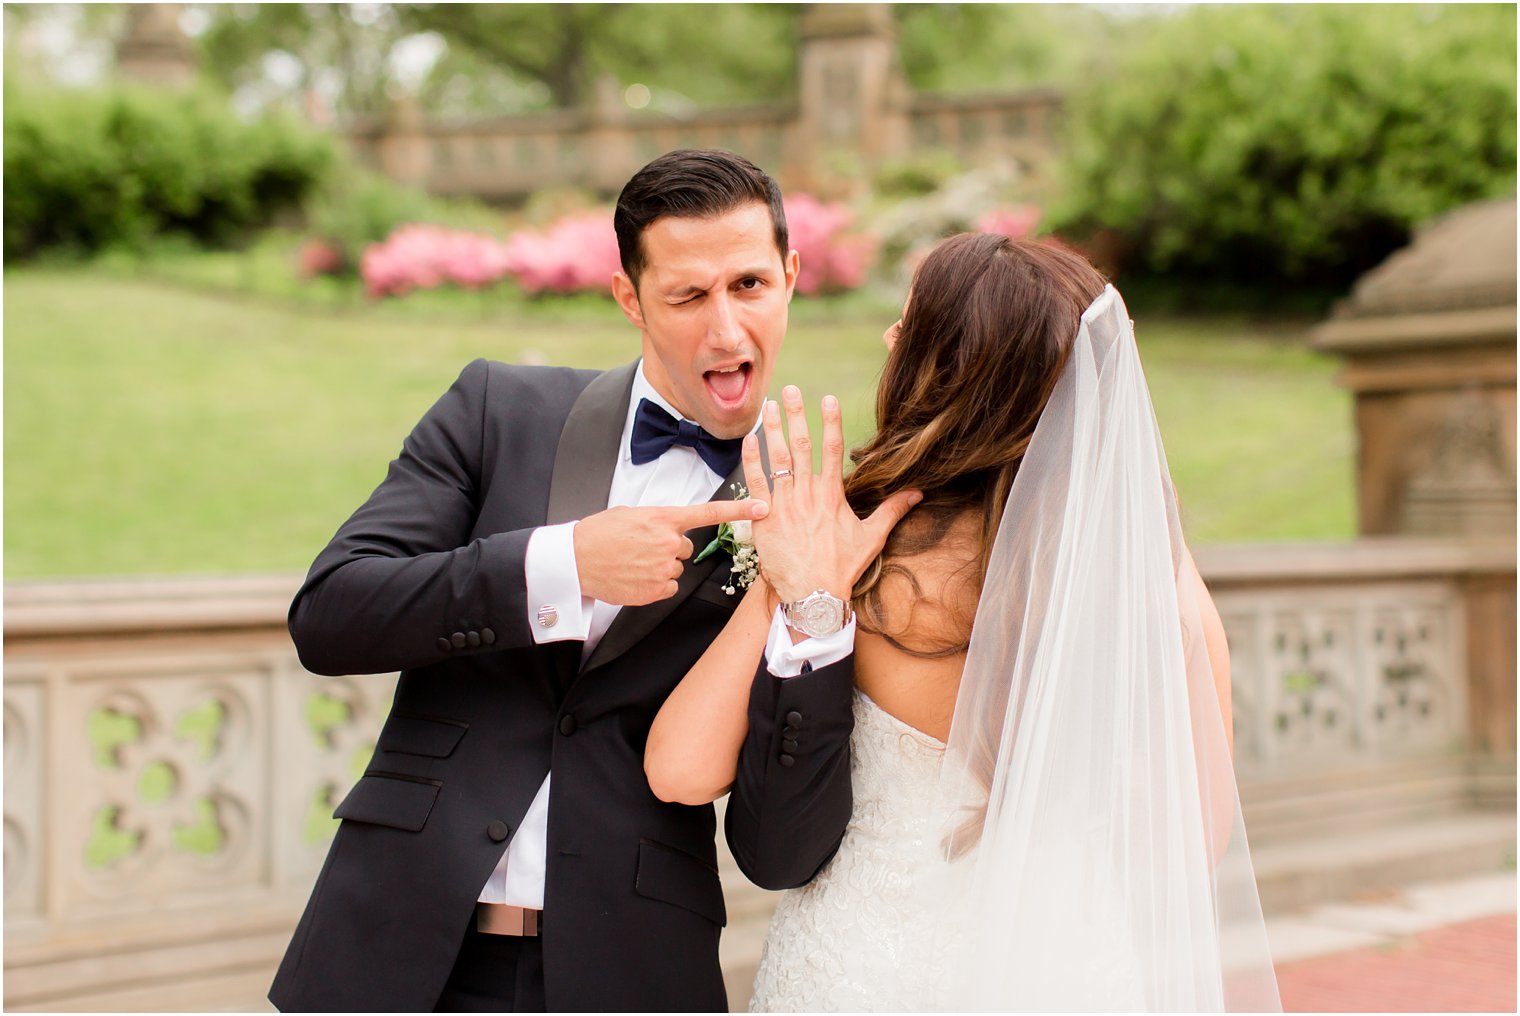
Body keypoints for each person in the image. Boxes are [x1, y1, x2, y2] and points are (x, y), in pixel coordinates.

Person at [267, 149, 916, 1012]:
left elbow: (780, 849)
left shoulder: (823, 514)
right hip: (393, 947)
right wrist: (562, 564)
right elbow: (331, 615)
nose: (726, 330)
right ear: (629, 298)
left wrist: (810, 610)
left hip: (630, 970)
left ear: (793, 276)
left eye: (750, 285)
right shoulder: (496, 409)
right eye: (688, 296)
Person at [645, 232, 1282, 1011]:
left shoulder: (857, 547)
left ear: (949, 367)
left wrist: (792, 583)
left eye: (910, 325)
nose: (888, 337)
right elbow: (1191, 847)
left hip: (866, 974)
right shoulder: (1148, 573)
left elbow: (680, 766)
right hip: (1072, 977)